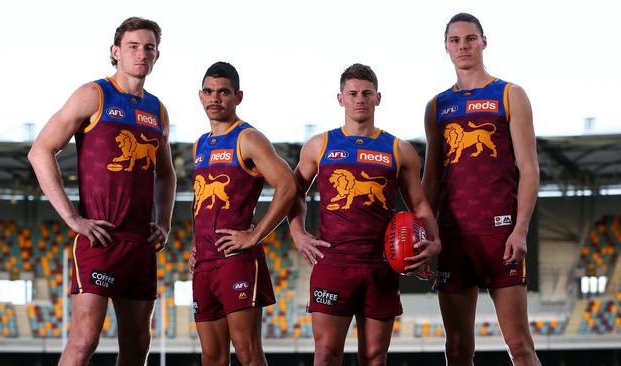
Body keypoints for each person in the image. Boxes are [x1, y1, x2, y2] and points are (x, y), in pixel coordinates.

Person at [28, 17, 176, 366]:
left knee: (138, 344)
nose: (142, 54)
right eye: (133, 47)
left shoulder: (157, 110)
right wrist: (74, 218)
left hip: (140, 244)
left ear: (157, 56)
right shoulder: (93, 94)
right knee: (84, 339)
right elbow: (40, 150)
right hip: (100, 240)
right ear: (116, 52)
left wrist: (165, 222)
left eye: (149, 48)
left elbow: (166, 173)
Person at [288, 63, 441, 366]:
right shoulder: (320, 145)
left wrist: (434, 243)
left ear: (378, 98)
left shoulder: (400, 149)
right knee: (326, 354)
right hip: (333, 263)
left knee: (374, 357)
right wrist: (298, 234)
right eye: (353, 93)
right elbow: (293, 192)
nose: (360, 99)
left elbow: (420, 206)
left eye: (366, 93)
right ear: (340, 98)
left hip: (381, 266)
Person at [422, 13, 541, 366]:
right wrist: (427, 237)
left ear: (483, 42)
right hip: (454, 239)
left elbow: (530, 168)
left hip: (500, 234)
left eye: (470, 39)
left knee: (519, 345)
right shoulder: (437, 105)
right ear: (446, 47)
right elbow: (430, 180)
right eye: (455, 40)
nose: (463, 46)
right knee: (457, 349)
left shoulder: (510, 94)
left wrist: (520, 230)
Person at [187, 62, 297, 366]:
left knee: (248, 353)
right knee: (212, 357)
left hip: (236, 260)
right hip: (205, 263)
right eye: (208, 91)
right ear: (200, 95)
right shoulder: (200, 145)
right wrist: (198, 246)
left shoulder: (247, 138)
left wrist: (254, 234)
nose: (215, 98)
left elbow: (287, 186)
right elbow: (203, 205)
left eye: (223, 92)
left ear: (238, 96)